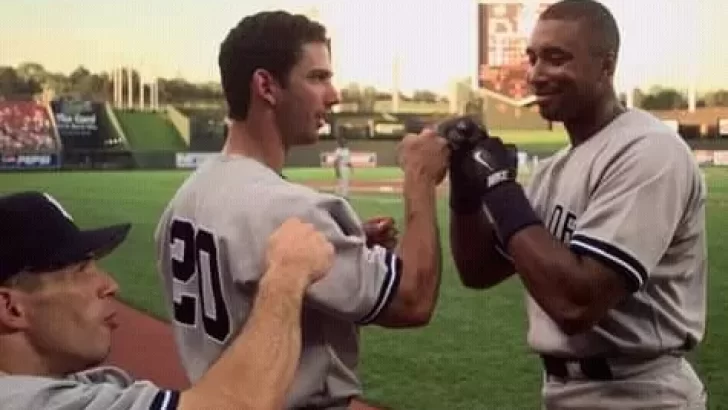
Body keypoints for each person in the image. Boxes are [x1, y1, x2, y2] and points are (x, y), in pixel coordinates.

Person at [154, 10, 449, 410]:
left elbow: (246, 267)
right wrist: (419, 177)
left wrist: (336, 244)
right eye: (317, 78)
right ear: (266, 87)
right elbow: (412, 299)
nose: (334, 94)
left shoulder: (187, 196)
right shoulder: (286, 207)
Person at [447, 1, 708, 409]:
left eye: (556, 58)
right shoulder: (555, 171)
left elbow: (576, 303)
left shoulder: (648, 150)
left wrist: (500, 187)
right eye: (532, 58)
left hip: (639, 394)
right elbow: (478, 271)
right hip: (565, 392)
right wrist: (466, 192)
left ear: (606, 66)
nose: (536, 74)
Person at [0, 190, 337, 410]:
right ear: (10, 307)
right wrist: (288, 273)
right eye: (80, 270)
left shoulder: (74, 387)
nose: (109, 285)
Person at [333, 135, 352, 199]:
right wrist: (337, 170)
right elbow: (336, 161)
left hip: (346, 168)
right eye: (342, 142)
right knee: (341, 182)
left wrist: (351, 167)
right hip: (341, 167)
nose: (344, 143)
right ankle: (339, 195)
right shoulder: (338, 151)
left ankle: (345, 195)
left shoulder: (347, 150)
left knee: (346, 182)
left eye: (345, 142)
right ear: (339, 143)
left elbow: (348, 160)